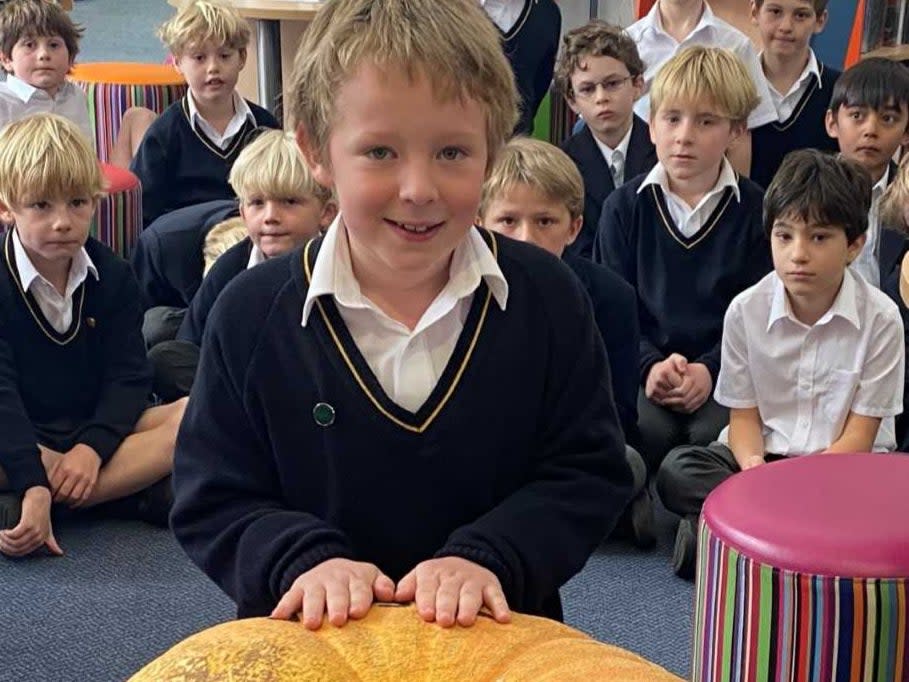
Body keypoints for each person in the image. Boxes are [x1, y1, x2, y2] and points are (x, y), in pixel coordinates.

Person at [171, 0, 633, 629]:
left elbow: (587, 473)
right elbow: (212, 495)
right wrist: (298, 559)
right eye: (380, 153)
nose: (418, 189)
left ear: (493, 152)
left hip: (494, 639)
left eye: (451, 153)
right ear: (315, 152)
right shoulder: (252, 313)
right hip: (313, 642)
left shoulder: (546, 298)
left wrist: (492, 556)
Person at [657, 149, 904, 578]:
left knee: (889, 500)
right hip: (759, 461)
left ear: (855, 244)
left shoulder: (881, 319)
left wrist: (792, 487)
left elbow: (861, 437)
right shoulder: (745, 310)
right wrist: (756, 473)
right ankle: (779, 538)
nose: (798, 254)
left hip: (844, 469)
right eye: (784, 236)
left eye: (819, 238)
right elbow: (744, 417)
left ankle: (725, 536)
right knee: (679, 471)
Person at [0, 114, 187, 556]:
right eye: (41, 206)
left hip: (93, 426)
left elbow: (128, 377)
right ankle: (108, 495)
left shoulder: (114, 275)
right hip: (18, 432)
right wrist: (33, 473)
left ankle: (47, 507)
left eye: (77, 203)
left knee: (194, 416)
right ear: (8, 206)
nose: (63, 222)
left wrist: (91, 448)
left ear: (95, 202)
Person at [594, 46, 772, 475]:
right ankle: (643, 499)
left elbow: (761, 316)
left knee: (712, 438)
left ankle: (693, 511)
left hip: (726, 377)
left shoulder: (758, 212)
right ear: (651, 126)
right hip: (646, 371)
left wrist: (710, 370)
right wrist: (648, 364)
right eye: (672, 119)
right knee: (643, 432)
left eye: (706, 121)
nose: (684, 135)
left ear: (735, 131)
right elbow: (610, 310)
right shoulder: (623, 208)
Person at [478, 136, 655, 547]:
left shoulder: (611, 297)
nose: (525, 238)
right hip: (490, 445)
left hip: (570, 443)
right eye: (508, 221)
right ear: (480, 223)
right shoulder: (460, 295)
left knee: (624, 461)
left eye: (545, 222)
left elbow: (618, 413)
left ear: (573, 227)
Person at [147, 129, 337, 401]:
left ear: (326, 213)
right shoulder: (230, 267)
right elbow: (190, 343)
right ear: (242, 213)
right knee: (164, 354)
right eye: (257, 203)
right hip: (240, 384)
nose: (270, 217)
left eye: (289, 202)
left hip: (312, 391)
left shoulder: (337, 265)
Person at [130, 0, 279, 228]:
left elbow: (284, 191)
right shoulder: (164, 134)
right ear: (178, 62)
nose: (213, 67)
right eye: (199, 58)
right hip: (187, 243)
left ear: (242, 58)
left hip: (253, 238)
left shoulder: (265, 126)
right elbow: (144, 212)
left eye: (224, 56)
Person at [627, 0, 778, 175]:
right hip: (639, 178)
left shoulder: (736, 45)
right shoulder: (628, 44)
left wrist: (735, 197)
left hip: (711, 179)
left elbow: (742, 138)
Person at [556, 21, 656, 259]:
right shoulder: (562, 164)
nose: (601, 98)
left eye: (612, 84)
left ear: (637, 84)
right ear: (572, 101)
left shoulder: (665, 151)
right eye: (588, 89)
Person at [826, 57, 909, 289]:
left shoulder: (905, 196)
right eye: (857, 116)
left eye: (888, 119)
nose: (871, 130)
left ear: (906, 131)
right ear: (832, 123)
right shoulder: (807, 187)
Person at [749, 0, 839, 189]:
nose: (786, 27)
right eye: (775, 11)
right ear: (755, 12)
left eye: (800, 15)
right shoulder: (733, 87)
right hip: (748, 215)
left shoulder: (840, 89)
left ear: (820, 21)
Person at [0, 0, 91, 143]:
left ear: (71, 57)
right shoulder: (3, 102)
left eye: (54, 45)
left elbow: (86, 151)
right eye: (30, 45)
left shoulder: (76, 96)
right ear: (6, 59)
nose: (44, 54)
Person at [480, 0, 561, 136]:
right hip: (452, 145)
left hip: (516, 144)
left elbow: (538, 87)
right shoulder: (445, 10)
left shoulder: (547, 13)